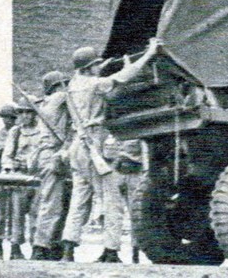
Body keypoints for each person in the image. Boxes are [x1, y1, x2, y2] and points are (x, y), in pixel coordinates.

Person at [60, 37, 160, 263]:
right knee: (111, 198)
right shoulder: (96, 85)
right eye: (95, 64)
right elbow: (123, 78)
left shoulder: (72, 86)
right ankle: (111, 251)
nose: (99, 67)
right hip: (94, 144)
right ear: (88, 68)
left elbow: (91, 77)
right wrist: (149, 54)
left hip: (78, 145)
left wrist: (101, 68)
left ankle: (68, 249)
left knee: (79, 199)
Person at [30, 70, 72, 261]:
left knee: (51, 201)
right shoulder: (61, 97)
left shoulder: (44, 103)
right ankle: (41, 246)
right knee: (52, 203)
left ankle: (48, 245)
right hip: (53, 153)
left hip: (45, 154)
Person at [2, 102, 39, 260]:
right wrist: (9, 171)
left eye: (29, 112)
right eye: (21, 113)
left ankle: (37, 248)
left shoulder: (42, 132)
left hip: (38, 177)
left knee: (38, 214)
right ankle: (15, 247)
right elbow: (7, 155)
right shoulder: (15, 133)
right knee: (17, 214)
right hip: (20, 177)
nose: (25, 116)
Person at [104, 135, 148, 263]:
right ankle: (134, 253)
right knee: (134, 213)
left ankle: (111, 251)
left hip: (117, 170)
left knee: (113, 212)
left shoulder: (114, 126)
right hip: (133, 170)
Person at [0, 103, 18, 259]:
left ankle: (14, 248)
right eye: (4, 118)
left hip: (14, 175)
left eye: (10, 118)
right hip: (0, 175)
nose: (7, 121)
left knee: (15, 214)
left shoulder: (19, 133)